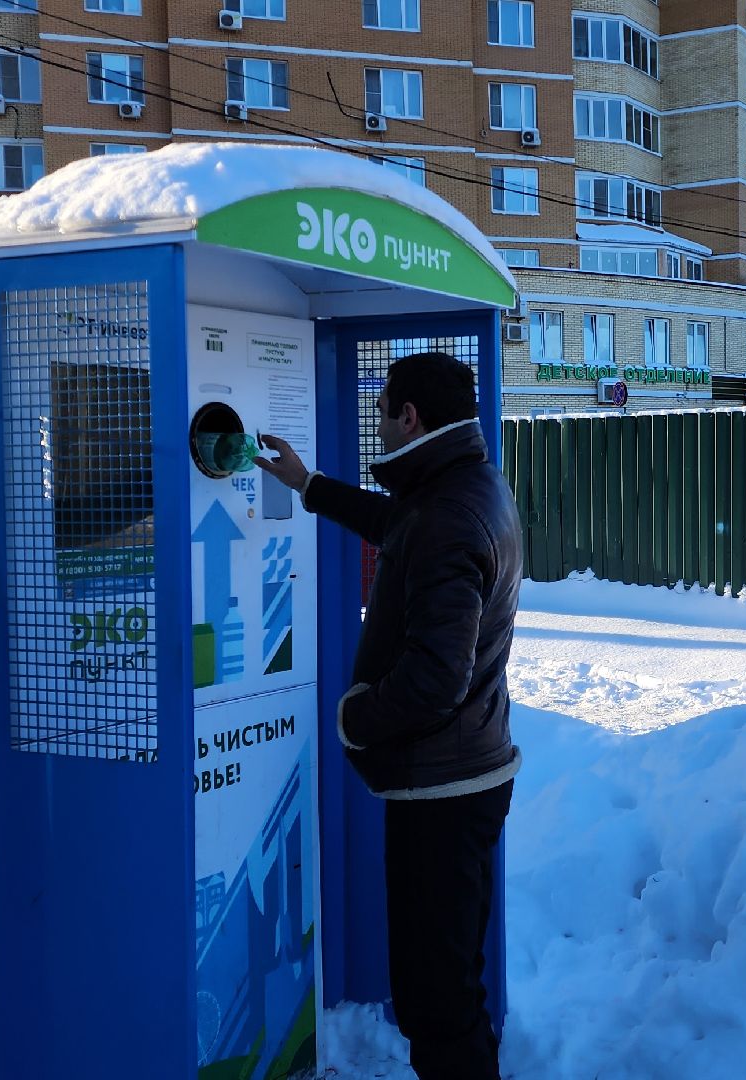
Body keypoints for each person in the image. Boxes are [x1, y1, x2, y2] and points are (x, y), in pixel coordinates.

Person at [256, 351, 522, 1080]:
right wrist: (308, 485)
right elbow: (397, 526)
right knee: (449, 981)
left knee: (435, 1001)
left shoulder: (445, 508)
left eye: (380, 413)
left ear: (409, 417)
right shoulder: (466, 483)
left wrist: (356, 718)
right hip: (465, 769)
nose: (377, 426)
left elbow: (436, 676)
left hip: (443, 786)